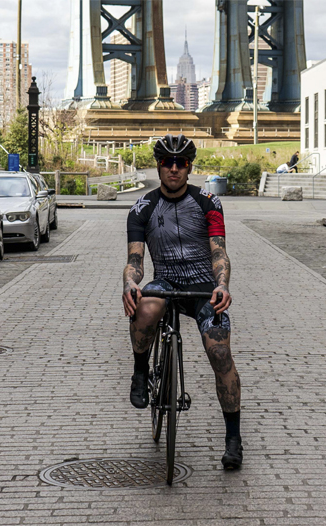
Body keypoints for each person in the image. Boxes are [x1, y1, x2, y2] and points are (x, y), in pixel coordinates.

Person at [122, 134, 243, 470]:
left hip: (204, 286)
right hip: (166, 281)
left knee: (220, 353)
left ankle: (233, 438)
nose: (174, 168)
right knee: (145, 306)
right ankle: (140, 371)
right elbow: (135, 261)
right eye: (167, 162)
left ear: (189, 167)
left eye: (181, 163)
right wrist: (130, 284)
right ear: (158, 166)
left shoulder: (208, 202)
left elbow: (219, 252)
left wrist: (222, 285)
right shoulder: (142, 208)